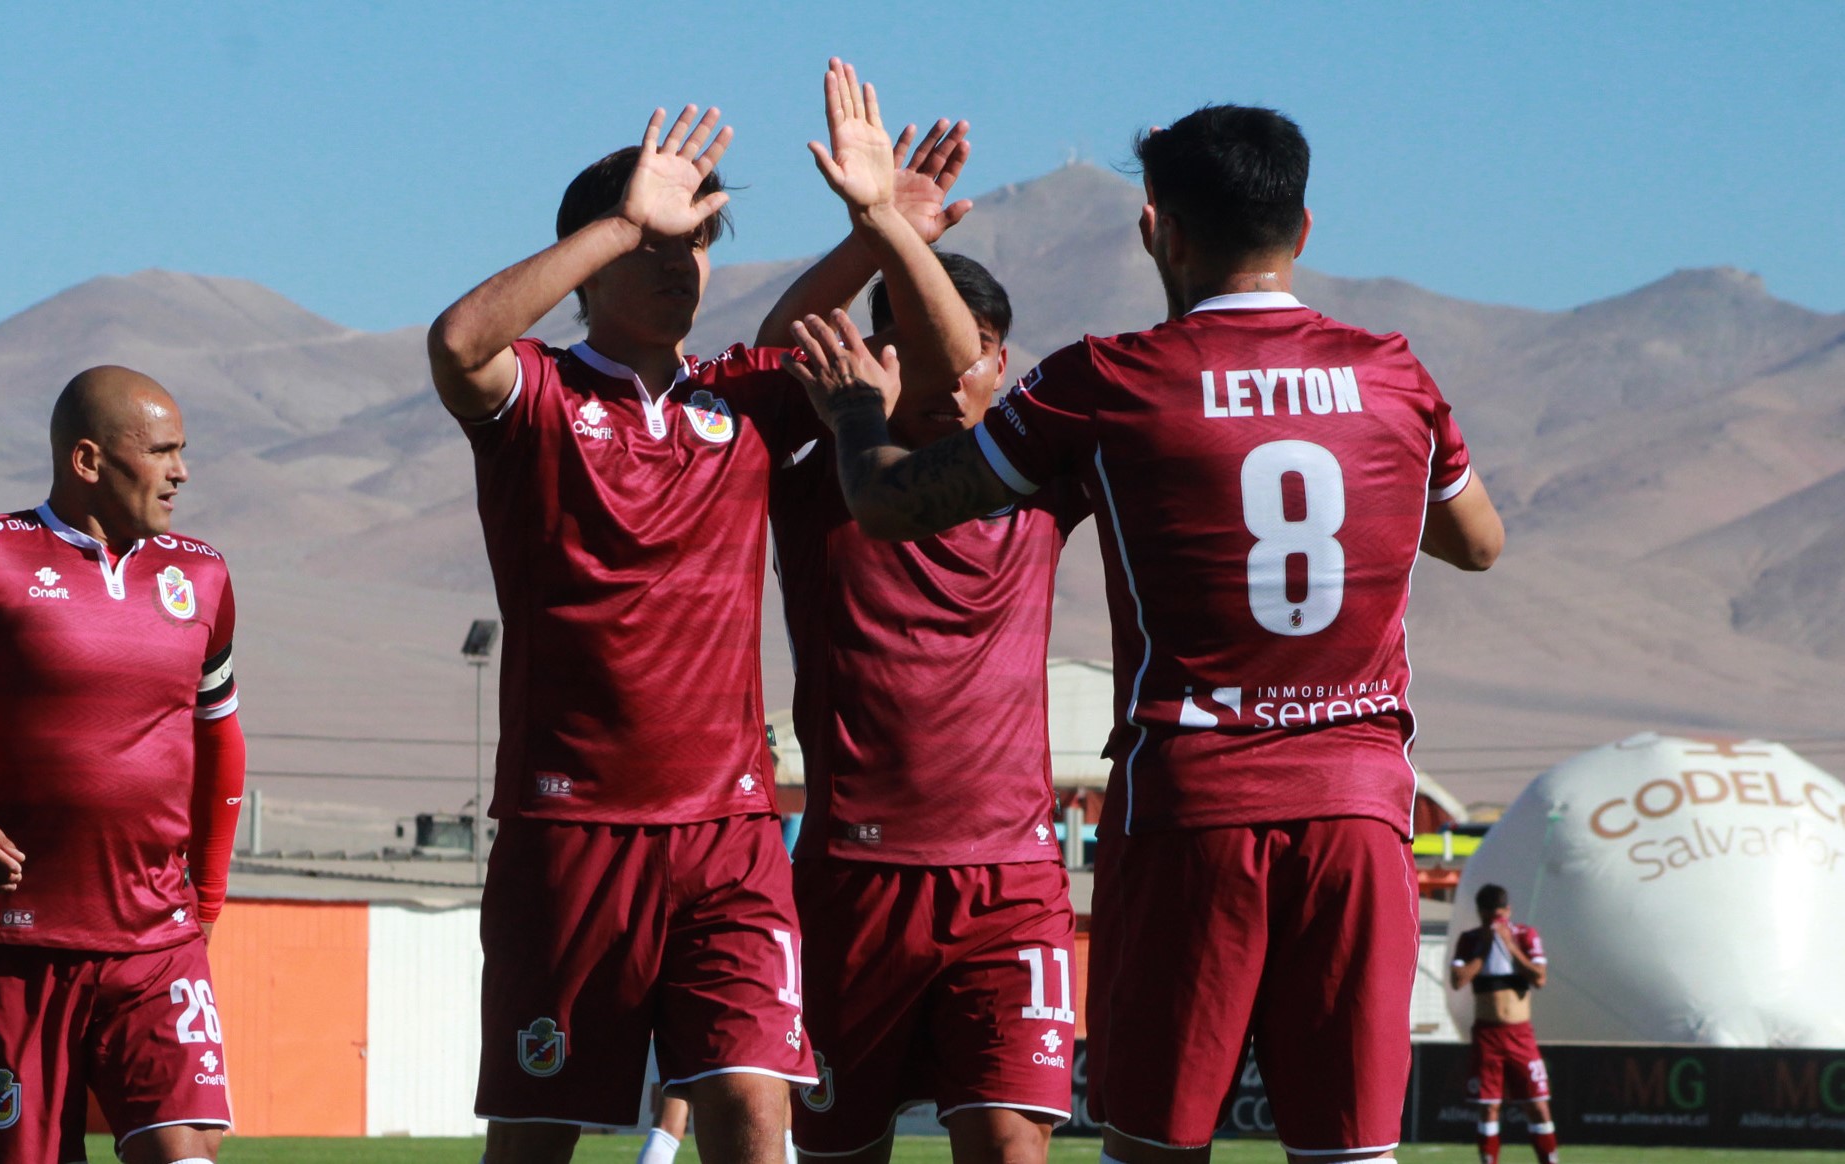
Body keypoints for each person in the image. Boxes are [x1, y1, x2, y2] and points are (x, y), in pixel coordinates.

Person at [784, 103, 1505, 1163]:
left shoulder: (1107, 381)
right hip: (1356, 809)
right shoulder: (1391, 374)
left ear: (1153, 227)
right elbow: (1477, 542)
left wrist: (854, 411)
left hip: (1191, 808)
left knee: (1155, 1146)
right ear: (1302, 228)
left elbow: (894, 502)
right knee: (1348, 1151)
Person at [425, 59, 978, 1164]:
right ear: (599, 253)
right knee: (534, 1139)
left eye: (699, 241)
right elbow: (456, 346)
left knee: (749, 1105)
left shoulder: (742, 401)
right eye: (660, 246)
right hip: (568, 834)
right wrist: (623, 221)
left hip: (726, 837)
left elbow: (951, 374)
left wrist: (880, 228)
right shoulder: (535, 396)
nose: (685, 265)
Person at [0, 365, 247, 1164]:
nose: (182, 471)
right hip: (15, 945)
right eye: (163, 451)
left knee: (185, 1155)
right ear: (87, 461)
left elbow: (220, 743)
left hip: (156, 942)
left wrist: (205, 900)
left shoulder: (203, 575)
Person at [762, 239, 1086, 1161]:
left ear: (1002, 362)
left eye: (972, 346)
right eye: (919, 347)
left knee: (1009, 1147)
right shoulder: (817, 462)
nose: (950, 371)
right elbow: (772, 343)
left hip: (1010, 887)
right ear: (875, 358)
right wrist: (871, 233)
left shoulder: (1045, 474)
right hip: (854, 884)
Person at [1449, 885, 1558, 1164]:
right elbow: (1459, 980)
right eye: (1488, 918)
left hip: (1520, 1034)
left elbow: (1539, 978)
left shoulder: (1524, 936)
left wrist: (1509, 946)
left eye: (1498, 917)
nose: (1493, 923)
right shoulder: (1471, 940)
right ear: (1480, 914)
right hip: (1488, 1035)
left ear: (1507, 912)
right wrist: (1485, 948)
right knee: (1489, 1107)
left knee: (1537, 1105)